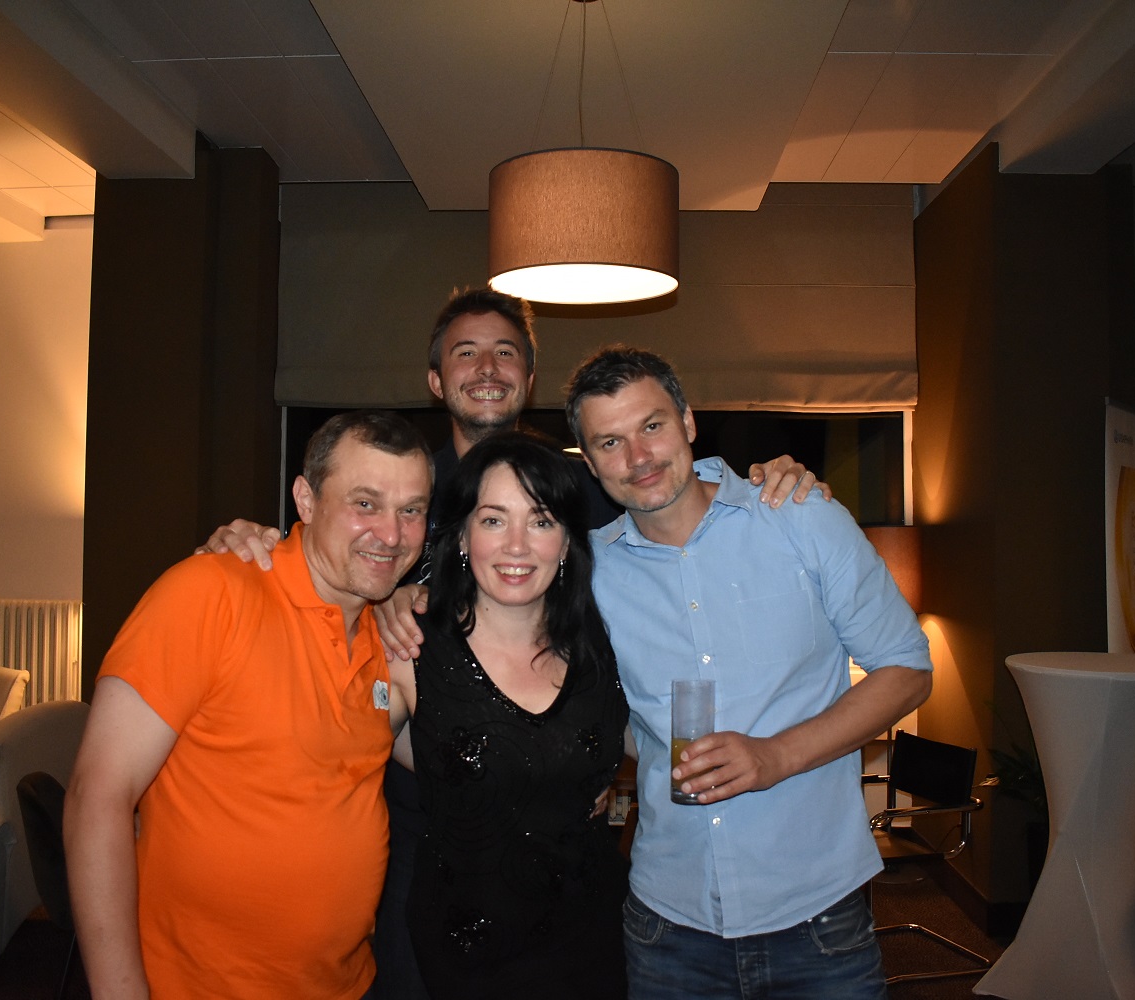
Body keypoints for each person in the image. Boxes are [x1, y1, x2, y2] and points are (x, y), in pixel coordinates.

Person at [201, 286, 823, 999]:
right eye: (465, 353)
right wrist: (266, 550)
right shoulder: (409, 487)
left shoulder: (585, 491)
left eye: (505, 352)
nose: (518, 543)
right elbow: (332, 576)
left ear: (529, 377)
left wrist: (762, 479)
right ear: (436, 380)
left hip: (577, 889)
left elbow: (670, 502)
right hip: (424, 843)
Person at [380, 345, 933, 998]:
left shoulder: (801, 519)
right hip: (667, 928)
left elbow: (908, 667)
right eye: (610, 442)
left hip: (816, 914)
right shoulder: (589, 575)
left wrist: (776, 756)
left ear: (688, 421)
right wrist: (401, 594)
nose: (638, 457)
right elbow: (516, 645)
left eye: (651, 426)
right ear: (589, 463)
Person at [64, 410, 432, 1000]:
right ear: (306, 500)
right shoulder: (210, 592)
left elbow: (448, 762)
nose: (391, 534)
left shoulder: (383, 640)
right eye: (365, 503)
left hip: (346, 986)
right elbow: (96, 796)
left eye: (411, 510)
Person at [386, 431, 629, 999]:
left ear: (566, 542)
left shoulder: (600, 644)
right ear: (462, 535)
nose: (517, 546)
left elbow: (649, 738)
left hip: (596, 946)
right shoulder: (409, 650)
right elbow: (327, 770)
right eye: (494, 520)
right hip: (465, 963)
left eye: (541, 521)